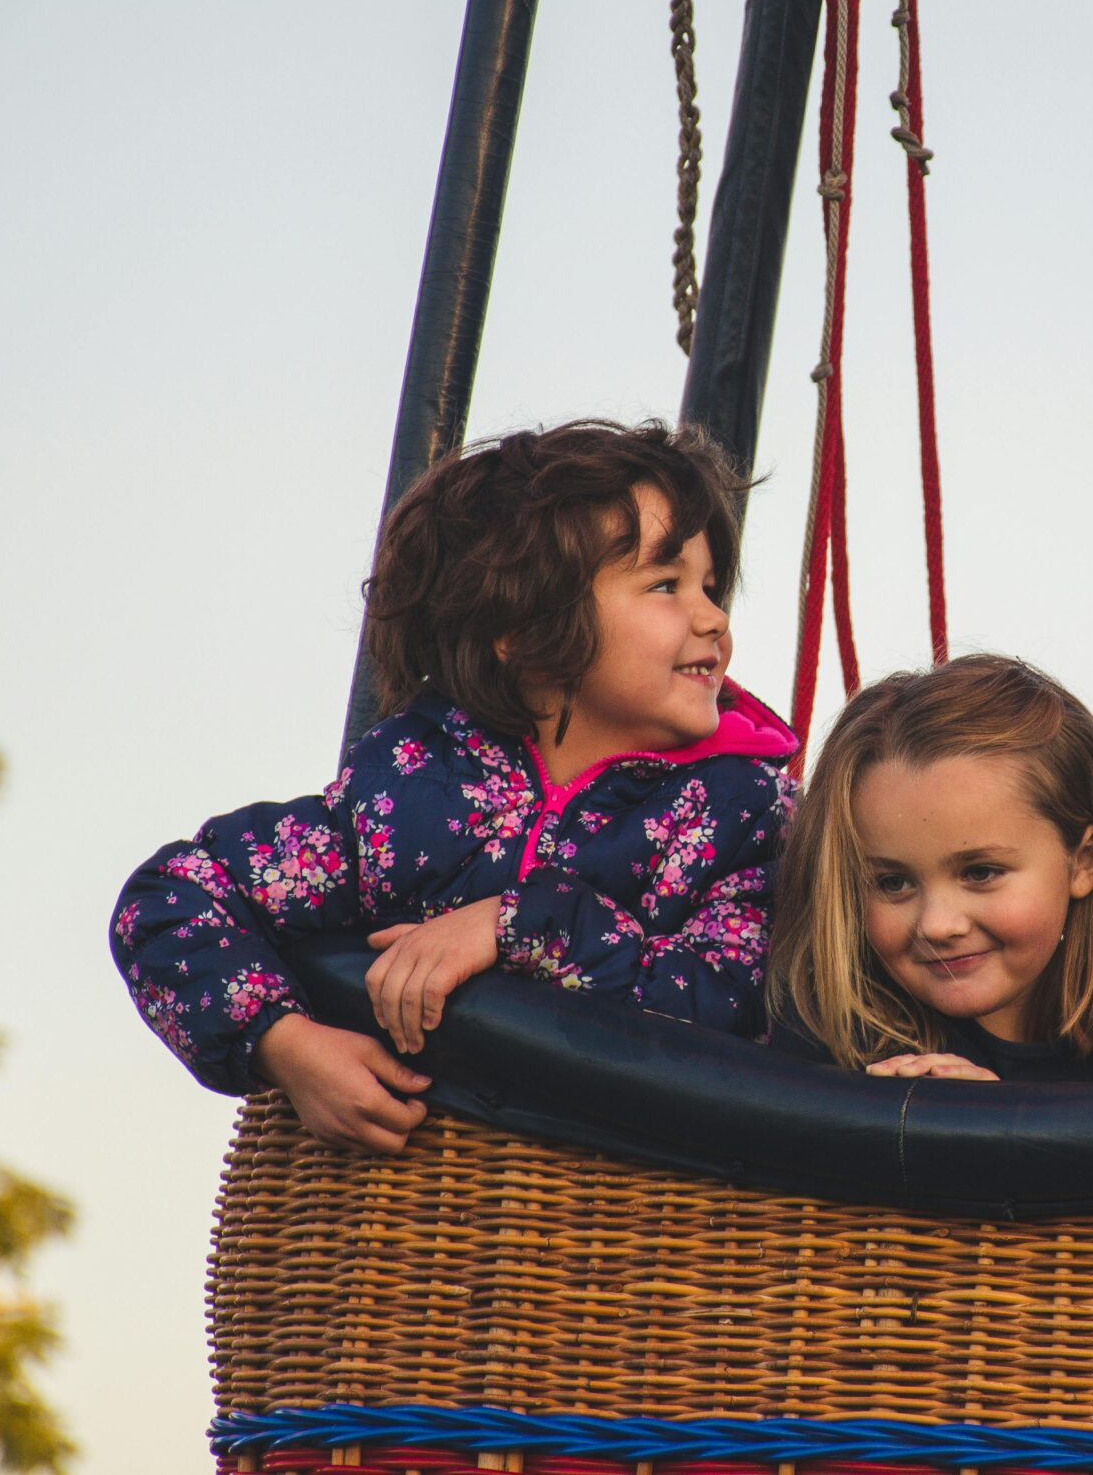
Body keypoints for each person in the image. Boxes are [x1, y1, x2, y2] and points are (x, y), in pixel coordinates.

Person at [109, 420, 797, 1152]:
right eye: (666, 585)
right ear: (526, 627)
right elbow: (170, 897)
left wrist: (517, 924)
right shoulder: (411, 790)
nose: (713, 616)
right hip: (409, 1232)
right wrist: (286, 1044)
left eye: (712, 585)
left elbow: (727, 1000)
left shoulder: (741, 816)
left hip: (625, 1230)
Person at [766, 655, 1093, 1082]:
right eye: (893, 882)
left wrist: (1003, 1140)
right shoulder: (830, 1037)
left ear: (1084, 863)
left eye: (980, 872)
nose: (937, 925)